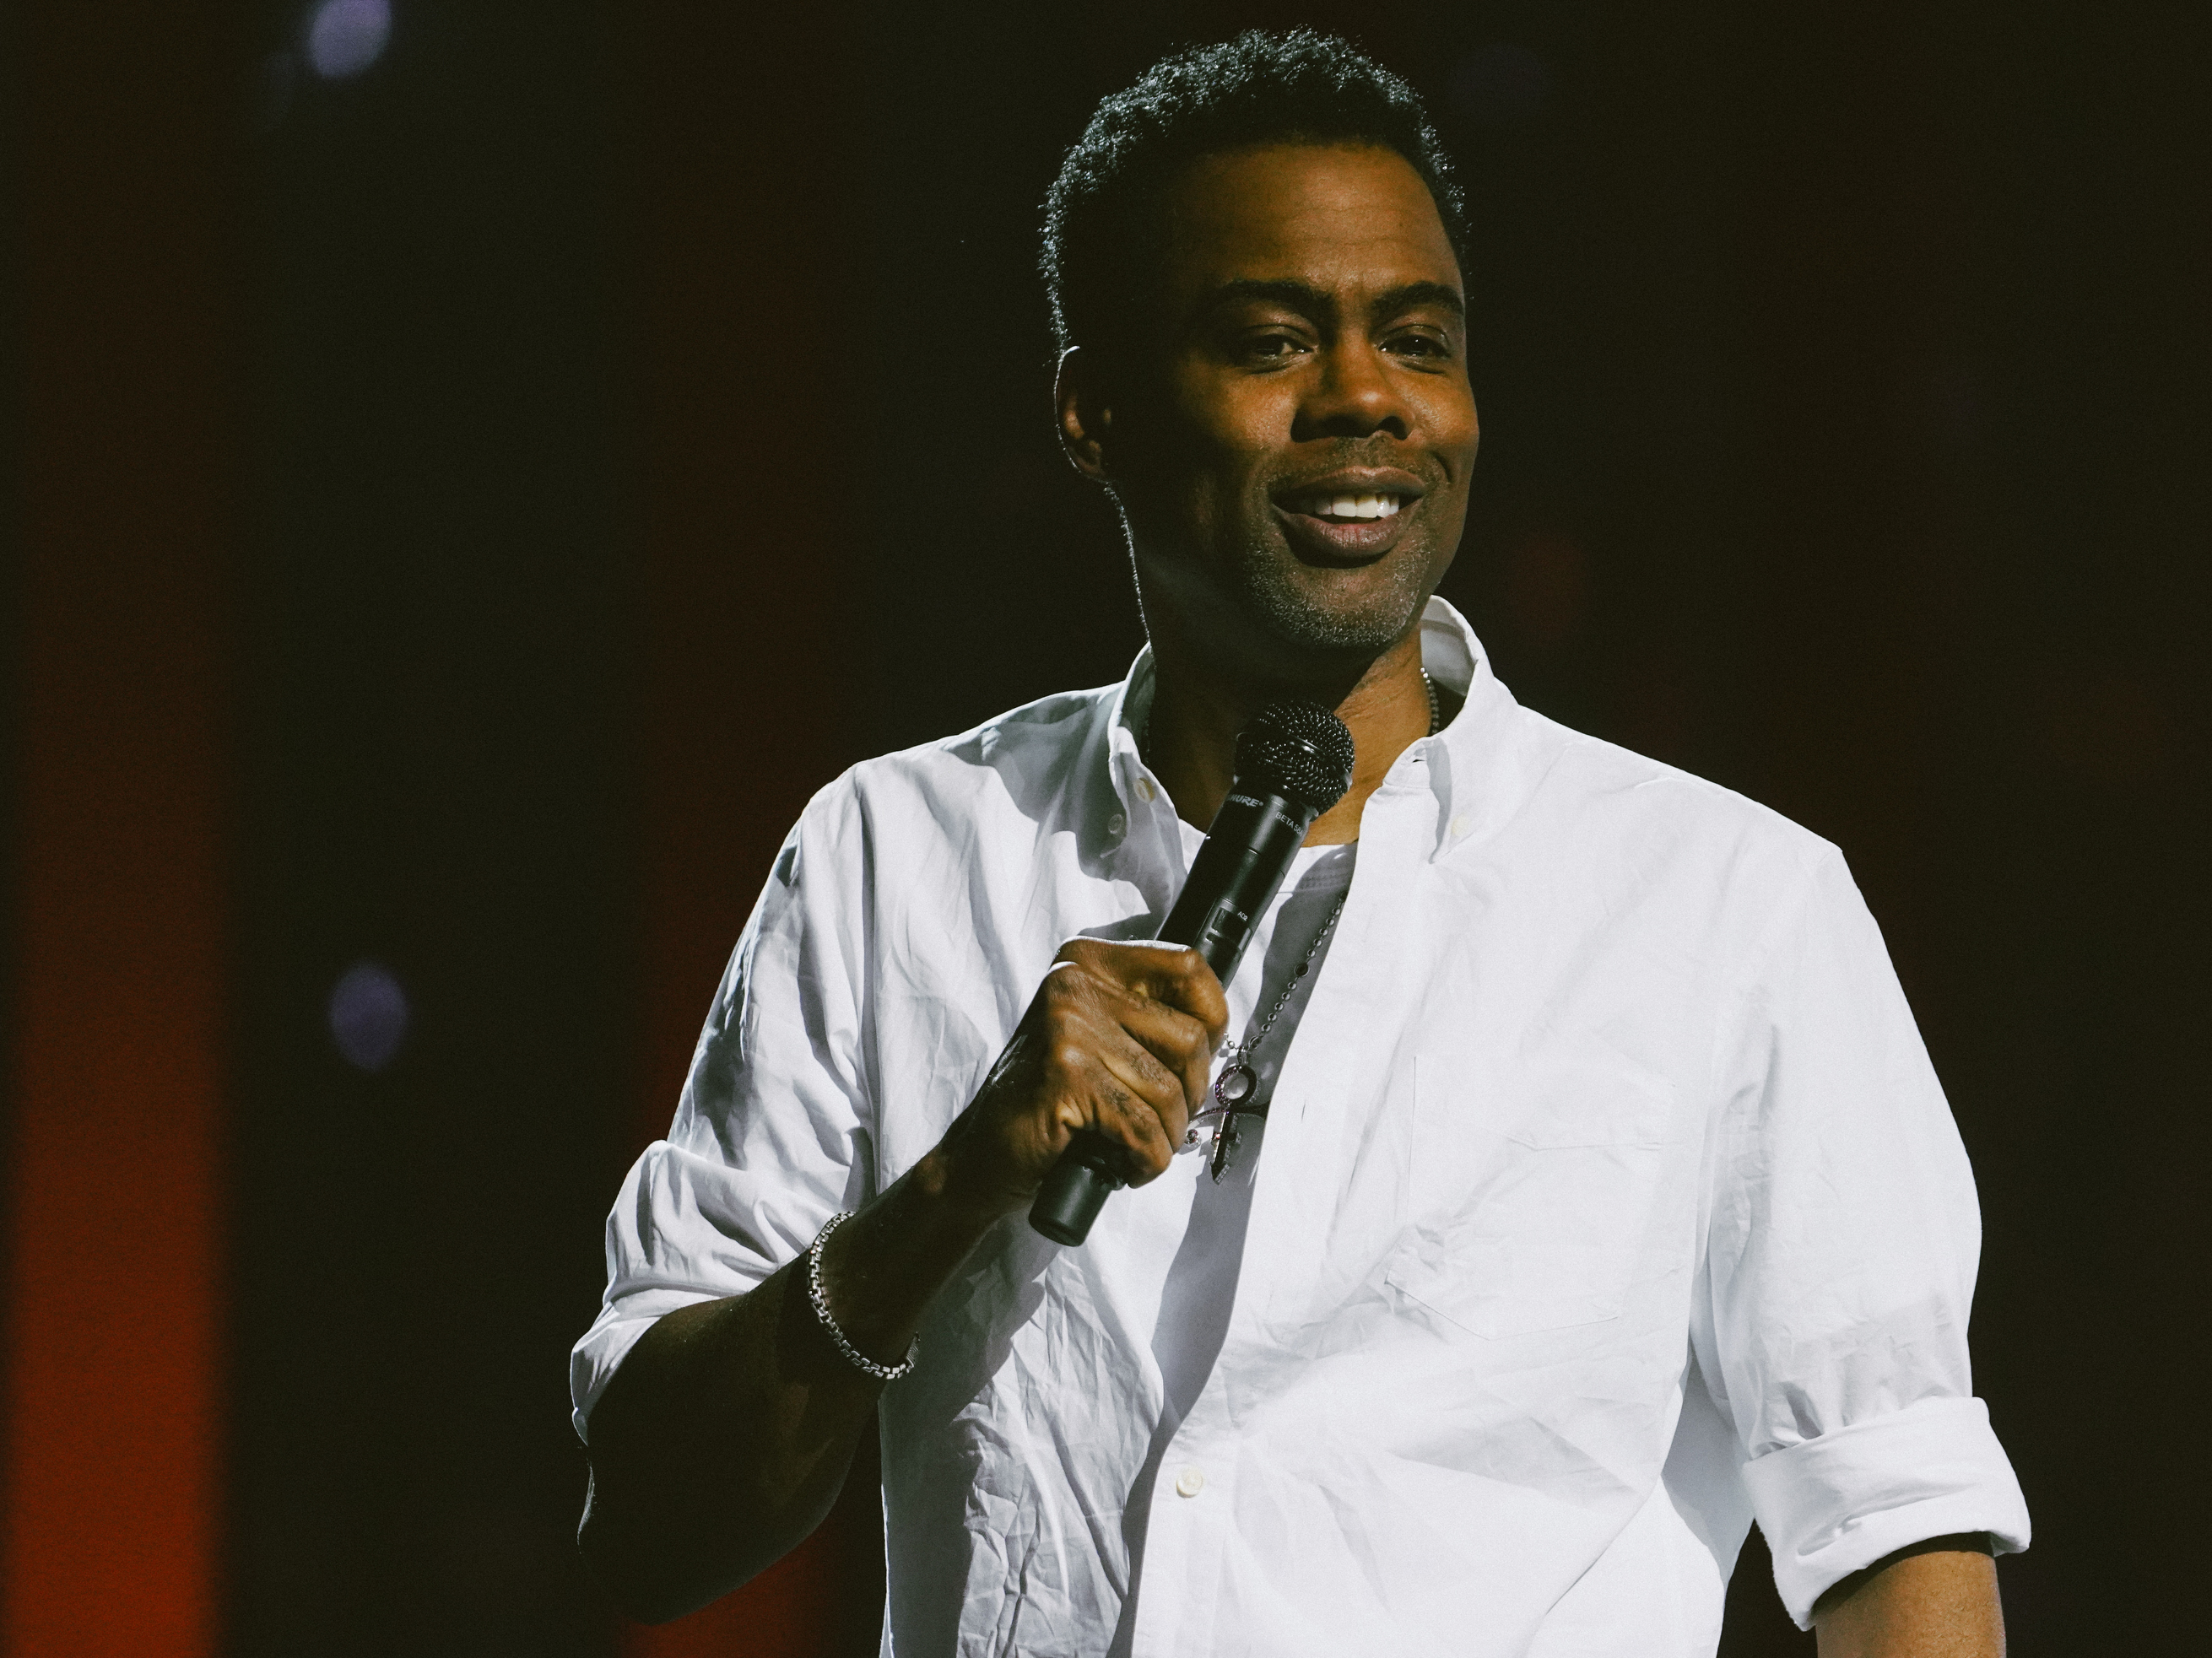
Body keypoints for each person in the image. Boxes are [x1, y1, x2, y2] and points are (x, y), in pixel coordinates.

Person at [572, 31, 2029, 1657]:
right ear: (1092, 412)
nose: (1362, 398)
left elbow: (1895, 1531)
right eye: (1269, 339)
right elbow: (649, 1524)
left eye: (1417, 339)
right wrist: (958, 1184)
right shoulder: (892, 856)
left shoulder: (1727, 905)